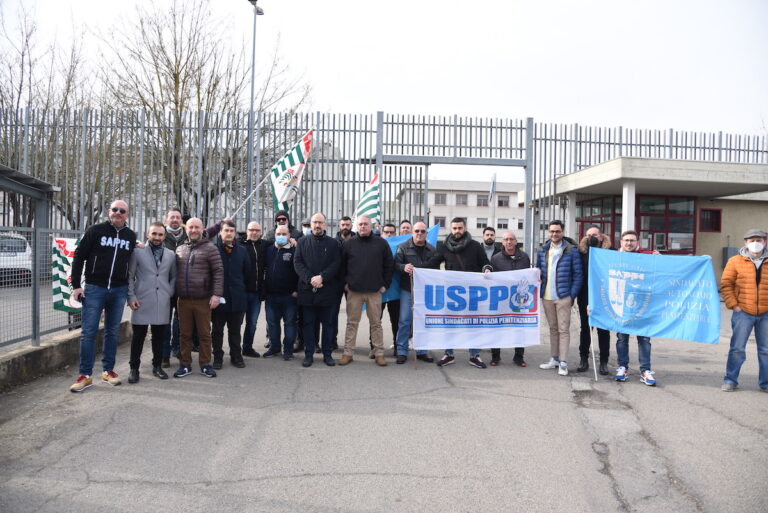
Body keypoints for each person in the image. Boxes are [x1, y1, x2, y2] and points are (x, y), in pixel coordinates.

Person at [69, 200, 137, 392]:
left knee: (112, 332)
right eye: (114, 209)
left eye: (122, 211)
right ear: (109, 212)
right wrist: (76, 285)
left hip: (118, 290)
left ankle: (108, 370)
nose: (118, 213)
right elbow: (79, 256)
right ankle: (85, 375)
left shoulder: (130, 236)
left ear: (127, 215)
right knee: (88, 332)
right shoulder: (95, 230)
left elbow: (131, 260)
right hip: (94, 288)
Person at [419, 217, 492, 368]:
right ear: (451, 230)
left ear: (465, 228)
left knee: (473, 324)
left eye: (460, 228)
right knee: (450, 324)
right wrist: (417, 269)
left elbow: (485, 261)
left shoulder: (475, 246)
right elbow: (433, 262)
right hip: (452, 293)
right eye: (454, 228)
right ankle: (449, 354)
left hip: (473, 293)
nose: (457, 231)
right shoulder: (445, 247)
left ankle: (474, 355)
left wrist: (487, 268)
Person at [338, 215, 394, 367]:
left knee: (376, 324)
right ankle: (348, 353)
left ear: (371, 226)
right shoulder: (348, 244)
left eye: (365, 224)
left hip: (374, 291)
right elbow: (341, 266)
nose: (362, 226)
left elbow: (389, 265)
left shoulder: (381, 243)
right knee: (351, 323)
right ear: (356, 226)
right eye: (360, 224)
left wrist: (385, 284)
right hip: (354, 291)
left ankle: (379, 353)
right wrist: (345, 283)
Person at [173, 217, 223, 378]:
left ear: (202, 229)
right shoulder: (180, 249)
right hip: (183, 300)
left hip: (203, 299)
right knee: (184, 334)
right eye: (190, 227)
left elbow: (218, 272)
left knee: (204, 334)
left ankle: (206, 364)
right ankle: (185, 364)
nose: (193, 230)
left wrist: (216, 295)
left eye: (197, 227)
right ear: (186, 229)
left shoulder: (211, 248)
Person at [126, 222, 177, 383]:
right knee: (138, 337)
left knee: (159, 336)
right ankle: (134, 369)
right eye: (154, 234)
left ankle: (157, 366)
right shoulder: (137, 252)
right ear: (148, 234)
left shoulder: (170, 254)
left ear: (164, 236)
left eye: (160, 234)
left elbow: (174, 276)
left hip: (162, 300)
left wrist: (169, 291)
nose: (157, 237)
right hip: (141, 300)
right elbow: (130, 276)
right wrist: (131, 297)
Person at [720, 228, 768, 392]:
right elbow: (726, 284)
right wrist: (734, 305)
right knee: (737, 348)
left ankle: (765, 383)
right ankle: (730, 380)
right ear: (745, 243)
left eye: (759, 240)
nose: (756, 243)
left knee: (765, 350)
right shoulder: (735, 261)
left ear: (765, 242)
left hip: (766, 313)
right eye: (752, 240)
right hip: (743, 312)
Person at [294, 212, 341, 367]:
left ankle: (327, 354)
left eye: (320, 222)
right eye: (315, 222)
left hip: (327, 290)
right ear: (311, 224)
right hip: (307, 290)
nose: (317, 225)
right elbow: (298, 262)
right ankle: (309, 354)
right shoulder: (302, 242)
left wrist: (322, 277)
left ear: (325, 224)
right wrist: (310, 279)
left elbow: (336, 264)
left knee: (328, 324)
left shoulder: (333, 243)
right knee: (308, 324)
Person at [536, 220, 583, 377]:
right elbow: (538, 271)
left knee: (563, 330)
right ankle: (554, 359)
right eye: (551, 231)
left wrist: (571, 296)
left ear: (562, 232)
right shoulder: (542, 250)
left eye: (557, 231)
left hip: (563, 297)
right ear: (548, 233)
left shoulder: (572, 251)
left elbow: (578, 275)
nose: (554, 234)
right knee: (553, 329)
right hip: (547, 297)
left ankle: (563, 362)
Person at [613, 230, 658, 386]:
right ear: (621, 242)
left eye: (632, 240)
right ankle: (622, 367)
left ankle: (645, 370)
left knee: (644, 339)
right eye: (626, 240)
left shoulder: (646, 256)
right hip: (622, 306)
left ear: (637, 242)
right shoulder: (613, 258)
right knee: (622, 338)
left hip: (643, 305)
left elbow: (668, 265)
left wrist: (700, 260)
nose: (629, 243)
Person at [394, 221, 436, 364]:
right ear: (412, 232)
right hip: (408, 288)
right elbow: (395, 265)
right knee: (405, 320)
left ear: (426, 233)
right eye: (417, 231)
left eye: (422, 231)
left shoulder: (432, 249)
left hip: (424, 290)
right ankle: (401, 350)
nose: (419, 234)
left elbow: (435, 268)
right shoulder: (403, 247)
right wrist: (403, 267)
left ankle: (422, 350)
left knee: (422, 320)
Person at [211, 219, 249, 370]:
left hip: (237, 298)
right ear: (220, 232)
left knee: (235, 331)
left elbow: (247, 272)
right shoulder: (213, 249)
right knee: (217, 331)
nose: (229, 233)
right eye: (226, 230)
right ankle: (218, 357)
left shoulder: (242, 251)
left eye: (231, 231)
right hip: (219, 298)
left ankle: (236, 356)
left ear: (235, 233)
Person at [489, 231, 531, 366]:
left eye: (511, 239)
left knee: (519, 327)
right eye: (506, 239)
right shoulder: (496, 258)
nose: (509, 242)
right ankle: (495, 356)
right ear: (502, 242)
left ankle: (519, 357)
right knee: (497, 327)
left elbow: (528, 277)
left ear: (516, 241)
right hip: (501, 299)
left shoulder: (524, 257)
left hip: (518, 299)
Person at [577, 225, 613, 375]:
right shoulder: (581, 253)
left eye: (595, 235)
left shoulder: (611, 253)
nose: (591, 237)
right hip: (586, 296)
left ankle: (604, 361)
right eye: (588, 235)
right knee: (586, 328)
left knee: (603, 329)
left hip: (604, 296)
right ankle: (583, 358)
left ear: (602, 237)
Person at [263, 224, 300, 360]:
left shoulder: (294, 251)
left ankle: (288, 350)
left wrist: (296, 291)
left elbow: (299, 273)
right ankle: (275, 347)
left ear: (290, 236)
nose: (281, 236)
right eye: (279, 234)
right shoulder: (268, 250)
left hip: (289, 296)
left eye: (284, 234)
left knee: (289, 324)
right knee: (272, 324)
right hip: (271, 296)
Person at [161, 208, 188, 367]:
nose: (175, 220)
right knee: (164, 321)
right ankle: (164, 354)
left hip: (182, 286)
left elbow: (207, 233)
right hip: (163, 286)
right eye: (172, 217)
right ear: (167, 220)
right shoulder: (160, 235)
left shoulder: (187, 236)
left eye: (178, 217)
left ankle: (177, 349)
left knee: (180, 321)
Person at [241, 221, 267, 358]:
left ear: (261, 232)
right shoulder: (240, 245)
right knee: (236, 323)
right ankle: (234, 350)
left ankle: (247, 347)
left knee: (252, 323)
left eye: (257, 230)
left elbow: (279, 241)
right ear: (247, 230)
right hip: (241, 292)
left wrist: (292, 239)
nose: (254, 232)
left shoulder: (264, 245)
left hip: (256, 293)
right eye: (252, 230)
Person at [377, 223, 400, 357]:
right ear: (382, 233)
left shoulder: (400, 246)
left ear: (395, 234)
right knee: (376, 321)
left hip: (395, 290)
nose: (389, 234)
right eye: (386, 232)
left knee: (396, 321)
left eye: (392, 232)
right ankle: (375, 347)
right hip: (378, 289)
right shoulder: (376, 246)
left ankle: (398, 347)